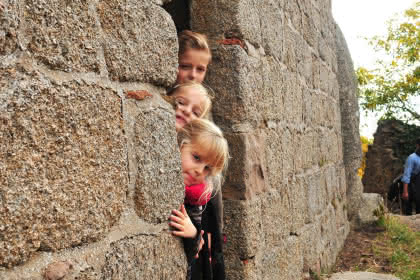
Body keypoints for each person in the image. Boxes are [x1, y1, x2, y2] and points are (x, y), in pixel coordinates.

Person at [175, 30, 227, 280]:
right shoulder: (178, 103)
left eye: (201, 69)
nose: (193, 75)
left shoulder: (200, 111)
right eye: (185, 66)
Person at [169, 119, 229, 280]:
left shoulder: (198, 199)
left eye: (207, 169)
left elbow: (197, 251)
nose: (199, 171)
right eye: (196, 157)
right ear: (181, 144)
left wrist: (193, 233)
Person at [401, 137, 420, 215]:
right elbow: (406, 175)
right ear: (418, 145)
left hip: (419, 185)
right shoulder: (412, 158)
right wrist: (405, 191)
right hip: (411, 185)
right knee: (408, 210)